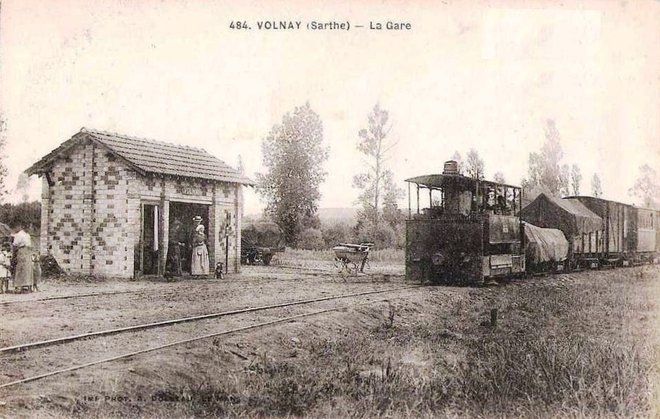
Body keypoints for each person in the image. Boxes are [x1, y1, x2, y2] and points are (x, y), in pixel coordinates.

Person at [12, 228, 34, 292]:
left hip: (27, 252)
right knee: (21, 268)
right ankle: (19, 286)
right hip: (21, 252)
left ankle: (27, 285)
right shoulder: (19, 235)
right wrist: (14, 255)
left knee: (27, 269)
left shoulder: (27, 235)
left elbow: (29, 245)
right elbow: (15, 245)